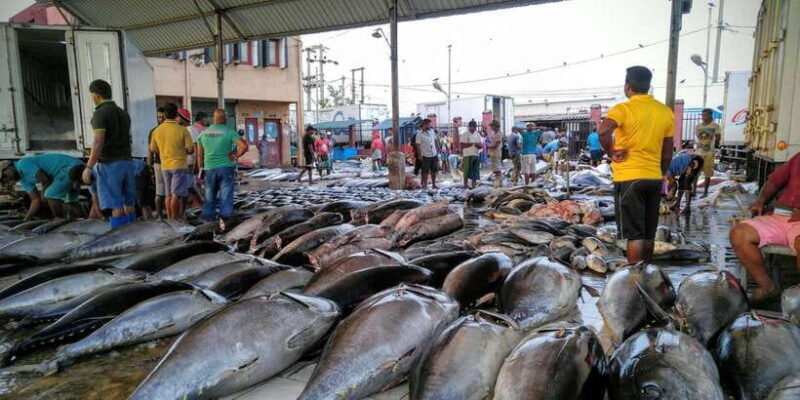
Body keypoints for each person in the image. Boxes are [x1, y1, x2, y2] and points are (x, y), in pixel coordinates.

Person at [598, 66, 674, 264]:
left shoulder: (623, 109)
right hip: (653, 178)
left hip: (629, 178)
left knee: (635, 236)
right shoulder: (665, 112)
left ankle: (633, 279)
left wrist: (611, 152)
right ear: (648, 86)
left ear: (627, 86)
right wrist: (661, 174)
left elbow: (603, 131)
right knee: (649, 234)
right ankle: (646, 274)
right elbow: (667, 153)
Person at [729, 152, 800, 305]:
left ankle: (796, 302)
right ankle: (767, 286)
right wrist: (761, 201)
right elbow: (774, 182)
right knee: (739, 234)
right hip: (780, 215)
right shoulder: (798, 158)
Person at [81, 79, 137, 229]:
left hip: (110, 164)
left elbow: (98, 142)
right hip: (127, 163)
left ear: (96, 95)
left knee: (115, 205)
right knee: (128, 203)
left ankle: (120, 240)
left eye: (91, 95)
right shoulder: (123, 114)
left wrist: (88, 167)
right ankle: (134, 235)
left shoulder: (100, 114)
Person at [197, 109, 248, 222]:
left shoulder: (203, 133)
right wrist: (236, 155)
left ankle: (208, 220)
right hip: (226, 168)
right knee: (225, 195)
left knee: (209, 195)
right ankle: (225, 220)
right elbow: (244, 146)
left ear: (214, 119)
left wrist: (200, 169)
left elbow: (199, 155)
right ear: (225, 119)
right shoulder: (229, 132)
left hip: (209, 168)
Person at [0, 154, 84, 220]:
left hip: (71, 166)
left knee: (49, 194)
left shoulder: (23, 163)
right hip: (62, 174)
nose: (6, 179)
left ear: (8, 167)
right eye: (3, 179)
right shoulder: (23, 180)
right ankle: (84, 220)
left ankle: (60, 221)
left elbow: (45, 180)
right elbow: (35, 200)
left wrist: (43, 193)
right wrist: (27, 219)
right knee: (71, 201)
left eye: (4, 176)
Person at [150, 103, 194, 221]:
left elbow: (153, 149)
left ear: (164, 115)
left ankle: (170, 218)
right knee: (176, 194)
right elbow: (190, 149)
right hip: (179, 165)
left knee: (168, 194)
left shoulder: (157, 131)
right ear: (176, 114)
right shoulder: (183, 130)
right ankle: (175, 219)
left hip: (164, 166)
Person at [178, 108, 204, 208]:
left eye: (177, 117)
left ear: (182, 118)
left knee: (188, 188)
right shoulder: (188, 130)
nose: (175, 119)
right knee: (190, 188)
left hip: (189, 164)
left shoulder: (190, 130)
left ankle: (200, 205)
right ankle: (200, 205)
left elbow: (196, 148)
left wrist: (197, 166)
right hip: (189, 164)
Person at [694, 108, 721, 198]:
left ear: (710, 115)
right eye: (702, 115)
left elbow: (718, 137)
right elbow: (698, 138)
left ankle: (705, 192)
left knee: (707, 174)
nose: (703, 117)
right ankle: (694, 191)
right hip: (698, 152)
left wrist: (712, 145)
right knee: (695, 172)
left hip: (709, 153)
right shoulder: (698, 126)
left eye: (705, 115)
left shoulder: (715, 126)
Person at [147, 107, 166, 219]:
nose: (161, 119)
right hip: (159, 163)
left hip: (167, 163)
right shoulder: (153, 132)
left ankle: (165, 215)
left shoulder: (157, 131)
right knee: (159, 192)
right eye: (159, 117)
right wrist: (149, 167)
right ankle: (160, 216)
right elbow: (149, 150)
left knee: (166, 193)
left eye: (163, 116)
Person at [415, 118, 440, 189]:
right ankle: (425, 185)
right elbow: (418, 145)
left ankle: (434, 184)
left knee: (434, 170)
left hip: (434, 153)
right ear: (424, 125)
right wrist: (419, 155)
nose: (429, 126)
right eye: (427, 124)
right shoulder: (419, 134)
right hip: (425, 154)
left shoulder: (432, 132)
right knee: (425, 171)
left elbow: (435, 140)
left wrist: (438, 149)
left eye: (429, 124)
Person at [460, 120, 482, 189]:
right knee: (466, 171)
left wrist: (476, 145)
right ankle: (465, 185)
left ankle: (473, 186)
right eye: (471, 127)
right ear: (469, 127)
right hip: (467, 155)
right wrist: (472, 144)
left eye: (473, 127)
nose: (472, 128)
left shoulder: (477, 134)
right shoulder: (464, 134)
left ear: (475, 127)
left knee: (475, 171)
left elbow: (480, 146)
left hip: (476, 154)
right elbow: (462, 145)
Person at [487, 120, 504, 188]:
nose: (491, 127)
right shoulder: (495, 133)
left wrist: (487, 146)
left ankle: (499, 183)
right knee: (495, 169)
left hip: (496, 153)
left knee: (497, 169)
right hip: (493, 153)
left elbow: (495, 145)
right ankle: (498, 183)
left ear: (495, 126)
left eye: (492, 126)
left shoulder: (498, 134)